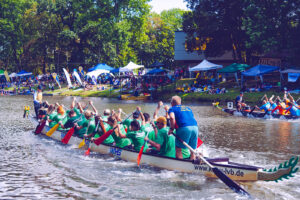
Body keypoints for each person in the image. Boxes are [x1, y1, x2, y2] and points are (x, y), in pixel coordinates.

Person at [168, 96, 198, 160]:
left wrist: (171, 129)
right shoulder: (188, 108)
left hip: (184, 128)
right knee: (192, 150)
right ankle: (192, 163)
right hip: (195, 127)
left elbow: (172, 117)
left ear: (172, 103)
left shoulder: (172, 108)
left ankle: (180, 166)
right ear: (180, 102)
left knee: (178, 149)